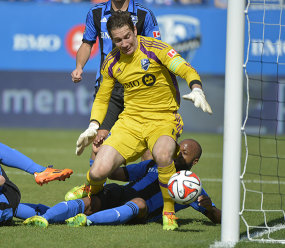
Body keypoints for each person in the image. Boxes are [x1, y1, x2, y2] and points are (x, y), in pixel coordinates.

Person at [75, 11, 212, 230]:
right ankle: (92, 197)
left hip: (163, 118)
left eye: (127, 36)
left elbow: (184, 68)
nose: (124, 43)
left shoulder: (156, 49)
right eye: (118, 40)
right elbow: (102, 97)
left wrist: (196, 87)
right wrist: (93, 125)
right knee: (98, 171)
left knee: (163, 154)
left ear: (135, 31)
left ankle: (169, 211)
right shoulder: (112, 62)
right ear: (112, 39)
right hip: (131, 121)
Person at [69, 0, 161, 199]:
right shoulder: (95, 13)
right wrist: (79, 67)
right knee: (98, 141)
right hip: (108, 86)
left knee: (147, 146)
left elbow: (157, 49)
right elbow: (87, 43)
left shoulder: (144, 14)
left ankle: (148, 195)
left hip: (138, 90)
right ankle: (92, 195)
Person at [23, 139, 221, 228]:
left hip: (142, 212)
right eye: (178, 150)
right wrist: (99, 157)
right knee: (94, 200)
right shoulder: (153, 164)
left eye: (184, 153)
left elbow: (218, 218)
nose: (177, 154)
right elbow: (118, 174)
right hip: (121, 194)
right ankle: (45, 217)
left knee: (139, 203)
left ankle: (87, 221)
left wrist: (210, 209)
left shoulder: (192, 187)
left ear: (194, 162)